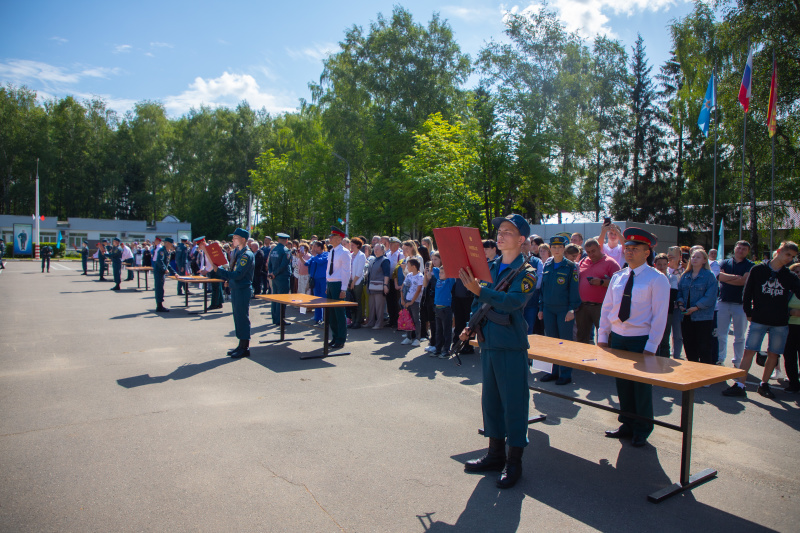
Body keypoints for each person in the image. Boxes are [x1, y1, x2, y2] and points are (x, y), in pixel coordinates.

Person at [459, 214, 537, 489]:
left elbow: (513, 302)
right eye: (500, 231)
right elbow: (478, 303)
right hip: (489, 341)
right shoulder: (490, 266)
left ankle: (514, 461)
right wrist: (470, 326)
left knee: (514, 404)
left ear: (521, 239)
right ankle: (494, 454)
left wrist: (480, 290)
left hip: (510, 345)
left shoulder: (527, 271)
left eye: (508, 231)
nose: (500, 235)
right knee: (491, 401)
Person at [599, 227, 670, 448]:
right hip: (619, 338)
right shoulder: (619, 276)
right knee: (623, 385)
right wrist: (603, 335)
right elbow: (607, 307)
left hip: (641, 339)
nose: (629, 252)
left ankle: (642, 428)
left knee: (641, 387)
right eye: (627, 248)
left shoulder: (656, 279)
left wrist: (652, 346)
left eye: (635, 249)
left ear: (647, 252)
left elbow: (660, 316)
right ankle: (627, 424)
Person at [723, 241, 800, 399]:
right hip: (759, 318)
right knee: (749, 351)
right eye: (787, 255)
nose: (789, 259)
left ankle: (764, 384)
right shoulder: (758, 269)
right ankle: (740, 384)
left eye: (792, 257)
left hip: (780, 322)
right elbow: (747, 292)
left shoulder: (789, 275)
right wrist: (748, 312)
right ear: (778, 251)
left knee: (773, 354)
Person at [202, 228, 255, 358]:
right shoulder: (238, 252)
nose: (232, 240)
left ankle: (245, 347)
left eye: (235, 237)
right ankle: (241, 345)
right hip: (237, 288)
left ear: (243, 239)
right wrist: (229, 280)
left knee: (242, 317)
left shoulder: (246, 255)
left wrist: (219, 271)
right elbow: (233, 270)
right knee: (237, 317)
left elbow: (238, 274)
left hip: (242, 289)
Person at [538, 235, 580, 385]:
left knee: (564, 342)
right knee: (551, 342)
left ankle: (566, 374)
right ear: (550, 248)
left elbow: (574, 290)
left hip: (564, 310)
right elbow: (543, 288)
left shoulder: (570, 266)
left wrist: (571, 309)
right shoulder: (547, 265)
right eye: (554, 247)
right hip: (549, 309)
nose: (557, 250)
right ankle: (553, 372)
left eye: (560, 247)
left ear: (564, 249)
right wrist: (541, 307)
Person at [676, 249, 718, 364]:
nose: (694, 259)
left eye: (698, 257)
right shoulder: (685, 275)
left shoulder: (709, 276)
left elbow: (710, 297)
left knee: (704, 346)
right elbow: (679, 292)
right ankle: (692, 372)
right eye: (693, 257)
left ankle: (705, 376)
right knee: (689, 346)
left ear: (704, 260)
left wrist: (695, 308)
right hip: (686, 317)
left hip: (702, 317)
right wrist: (680, 304)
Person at [717, 241, 754, 367]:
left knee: (739, 336)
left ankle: (737, 361)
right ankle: (720, 358)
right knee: (721, 334)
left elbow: (744, 281)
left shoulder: (750, 265)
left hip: (740, 304)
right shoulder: (724, 262)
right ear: (734, 248)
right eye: (739, 247)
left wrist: (728, 278)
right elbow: (719, 277)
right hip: (723, 302)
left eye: (744, 249)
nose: (741, 250)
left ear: (747, 251)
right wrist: (736, 277)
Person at [576, 238, 620, 345]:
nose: (591, 254)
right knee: (581, 337)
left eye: (593, 251)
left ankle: (605, 360)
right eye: (588, 252)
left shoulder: (611, 263)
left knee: (605, 337)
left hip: (601, 306)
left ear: (599, 248)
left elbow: (619, 284)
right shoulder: (582, 261)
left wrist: (601, 282)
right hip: (583, 306)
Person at [325, 227, 351, 350]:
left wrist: (343, 289)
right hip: (331, 283)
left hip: (338, 284)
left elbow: (346, 271)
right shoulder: (331, 251)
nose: (330, 239)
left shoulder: (344, 252)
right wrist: (327, 284)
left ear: (339, 239)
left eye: (332, 237)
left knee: (339, 313)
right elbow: (328, 269)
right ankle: (335, 337)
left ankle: (341, 339)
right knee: (331, 314)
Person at [428, 255, 456, 357]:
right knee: (438, 331)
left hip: (446, 309)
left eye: (443, 272)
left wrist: (448, 266)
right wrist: (436, 263)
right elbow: (435, 268)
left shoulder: (449, 281)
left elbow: (452, 273)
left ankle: (446, 350)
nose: (440, 274)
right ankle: (438, 348)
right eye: (440, 272)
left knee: (446, 331)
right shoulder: (439, 279)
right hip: (438, 309)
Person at [266, 233, 292, 324]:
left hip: (275, 277)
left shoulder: (273, 250)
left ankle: (275, 318)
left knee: (275, 298)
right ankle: (280, 319)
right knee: (282, 299)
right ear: (286, 240)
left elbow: (269, 263)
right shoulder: (286, 250)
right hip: (283, 277)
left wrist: (271, 273)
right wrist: (275, 273)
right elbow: (284, 265)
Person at [783, 263, 800, 393]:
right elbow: (779, 306)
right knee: (789, 356)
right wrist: (790, 311)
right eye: (796, 272)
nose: (798, 274)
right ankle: (793, 383)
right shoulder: (786, 289)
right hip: (788, 327)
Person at [365, 243, 390, 329]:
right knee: (371, 306)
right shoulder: (373, 260)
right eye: (374, 249)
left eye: (377, 249)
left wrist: (385, 285)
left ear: (383, 251)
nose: (375, 251)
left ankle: (379, 324)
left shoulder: (385, 260)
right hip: (371, 287)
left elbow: (387, 274)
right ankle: (371, 322)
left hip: (379, 287)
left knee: (379, 307)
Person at [400, 258, 424, 346]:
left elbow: (418, 290)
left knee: (416, 319)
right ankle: (408, 337)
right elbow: (403, 287)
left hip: (415, 301)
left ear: (413, 267)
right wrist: (402, 299)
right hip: (406, 300)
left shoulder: (420, 276)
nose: (407, 267)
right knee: (407, 319)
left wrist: (411, 302)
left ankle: (417, 338)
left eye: (408, 265)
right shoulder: (409, 275)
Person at [306, 241, 329, 324]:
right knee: (316, 298)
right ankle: (317, 317)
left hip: (323, 279)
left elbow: (320, 261)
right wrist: (300, 257)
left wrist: (314, 256)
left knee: (323, 298)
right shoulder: (313, 256)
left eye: (315, 246)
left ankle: (324, 317)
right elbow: (306, 263)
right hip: (315, 280)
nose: (313, 248)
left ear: (320, 247)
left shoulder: (326, 254)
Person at [152, 237, 176, 313]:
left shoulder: (167, 251)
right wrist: (164, 269)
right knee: (159, 288)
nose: (172, 245)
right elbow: (160, 261)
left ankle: (160, 305)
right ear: (167, 243)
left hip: (161, 272)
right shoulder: (162, 251)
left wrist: (174, 273)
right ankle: (159, 306)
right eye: (171, 244)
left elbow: (168, 264)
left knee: (161, 288)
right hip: (159, 272)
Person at [348, 237, 367, 329]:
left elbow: (359, 271)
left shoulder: (361, 255)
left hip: (357, 281)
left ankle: (358, 321)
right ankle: (353, 319)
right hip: (350, 280)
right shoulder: (351, 255)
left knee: (357, 301)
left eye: (353, 245)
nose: (351, 246)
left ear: (358, 245)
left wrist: (353, 282)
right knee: (351, 301)